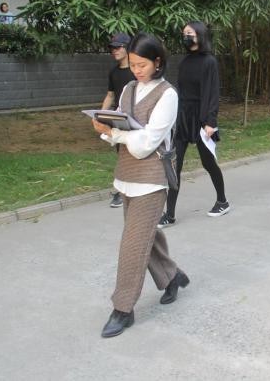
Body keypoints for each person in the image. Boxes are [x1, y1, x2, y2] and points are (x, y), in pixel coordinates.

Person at [91, 33, 189, 338]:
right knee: (146, 236)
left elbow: (147, 144)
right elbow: (123, 129)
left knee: (132, 244)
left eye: (142, 64)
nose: (136, 70)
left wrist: (116, 135)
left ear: (157, 62)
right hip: (126, 174)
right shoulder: (129, 89)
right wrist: (105, 128)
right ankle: (172, 276)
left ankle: (122, 309)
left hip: (152, 180)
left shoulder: (168, 95)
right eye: (133, 64)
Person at [157, 21, 230, 227]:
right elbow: (180, 92)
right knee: (175, 165)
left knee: (208, 162)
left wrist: (210, 121)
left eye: (189, 33)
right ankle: (170, 214)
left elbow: (212, 92)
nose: (185, 37)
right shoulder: (185, 61)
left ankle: (222, 201)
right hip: (183, 118)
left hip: (202, 119)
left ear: (200, 35)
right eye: (184, 34)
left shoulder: (209, 62)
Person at [101, 33, 135, 208]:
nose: (114, 51)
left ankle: (134, 189)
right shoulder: (113, 72)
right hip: (119, 119)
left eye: (118, 47)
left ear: (128, 48)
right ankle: (123, 190)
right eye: (112, 48)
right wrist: (100, 116)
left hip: (137, 119)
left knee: (137, 153)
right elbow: (110, 95)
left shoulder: (137, 71)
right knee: (122, 154)